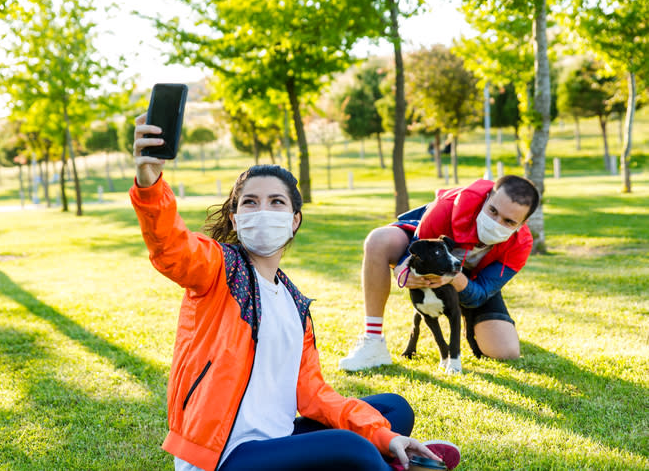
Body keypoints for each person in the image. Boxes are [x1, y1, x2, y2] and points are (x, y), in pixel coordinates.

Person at [130, 113, 460, 471]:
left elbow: (313, 395)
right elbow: (172, 249)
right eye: (250, 203)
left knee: (393, 411)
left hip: (280, 440)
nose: (263, 211)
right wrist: (150, 184)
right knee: (354, 448)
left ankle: (392, 454)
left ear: (294, 219)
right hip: (225, 456)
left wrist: (386, 436)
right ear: (236, 217)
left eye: (276, 202)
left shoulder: (293, 302)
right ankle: (388, 463)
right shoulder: (219, 268)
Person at [339, 175, 540, 372]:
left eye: (508, 221)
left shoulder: (521, 245)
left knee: (506, 351)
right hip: (433, 254)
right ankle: (373, 341)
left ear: (523, 224)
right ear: (487, 197)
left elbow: (481, 294)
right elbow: (414, 250)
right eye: (493, 211)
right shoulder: (447, 206)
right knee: (378, 240)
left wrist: (456, 280)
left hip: (470, 278)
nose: (496, 222)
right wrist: (403, 268)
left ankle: (463, 316)